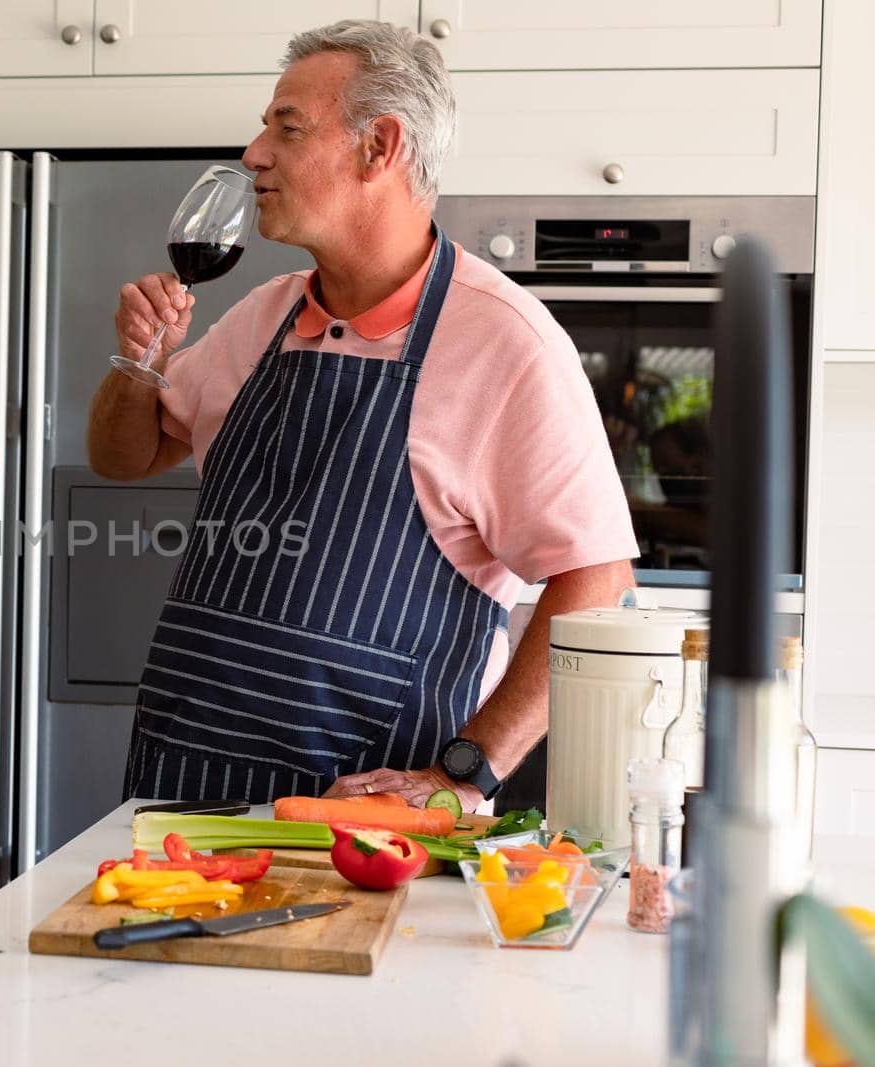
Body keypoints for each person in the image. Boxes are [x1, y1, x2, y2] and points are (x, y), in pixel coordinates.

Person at [88, 20, 637, 810]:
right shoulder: (261, 315)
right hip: (187, 794)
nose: (253, 154)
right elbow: (124, 456)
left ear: (379, 146)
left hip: (368, 832)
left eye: (286, 127)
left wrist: (459, 776)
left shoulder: (505, 344)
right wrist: (138, 364)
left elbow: (598, 577)